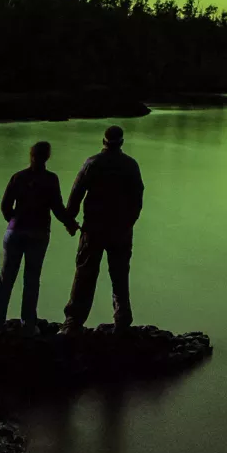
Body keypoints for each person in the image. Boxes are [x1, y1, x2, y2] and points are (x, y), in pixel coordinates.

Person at [0, 140, 77, 340]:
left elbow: (5, 206)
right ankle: (28, 326)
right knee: (31, 280)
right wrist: (70, 224)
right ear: (48, 157)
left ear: (31, 155)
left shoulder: (18, 177)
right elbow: (57, 208)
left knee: (6, 280)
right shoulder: (51, 179)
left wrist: (14, 220)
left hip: (15, 231)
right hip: (38, 232)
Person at [63, 124, 144, 331]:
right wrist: (128, 223)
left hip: (93, 229)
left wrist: (70, 221)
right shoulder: (130, 165)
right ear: (122, 142)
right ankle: (122, 320)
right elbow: (137, 200)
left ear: (103, 142)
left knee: (84, 275)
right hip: (120, 230)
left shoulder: (92, 163)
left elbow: (76, 193)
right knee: (119, 276)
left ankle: (73, 322)